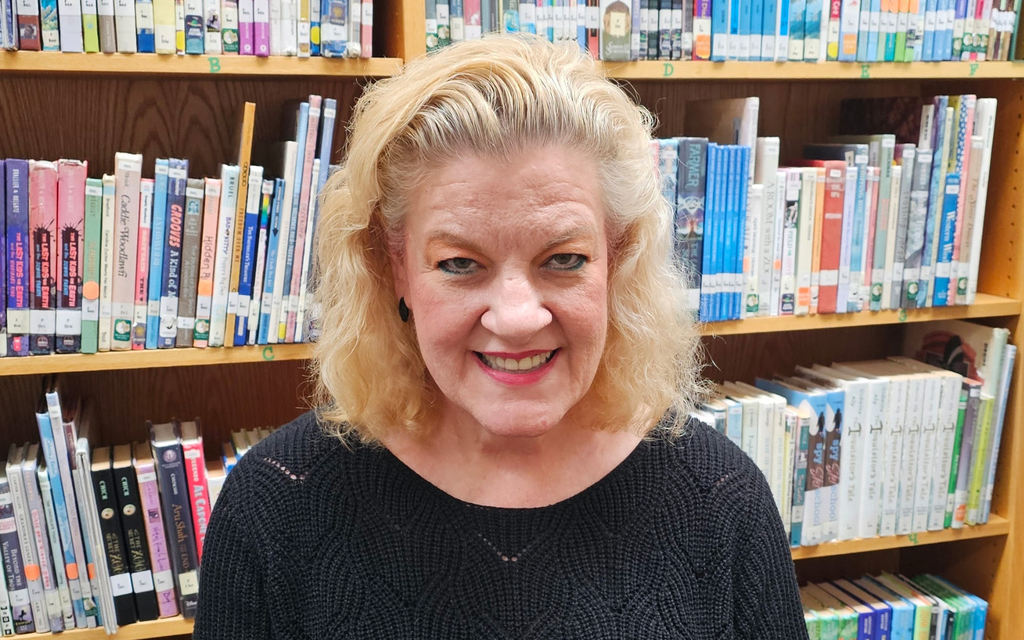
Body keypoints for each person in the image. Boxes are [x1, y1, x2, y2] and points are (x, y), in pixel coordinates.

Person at [194, 35, 807, 639]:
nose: (517, 318)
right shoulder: (275, 505)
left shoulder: (722, 503)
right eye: (460, 264)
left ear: (616, 258)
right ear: (395, 265)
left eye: (564, 259)